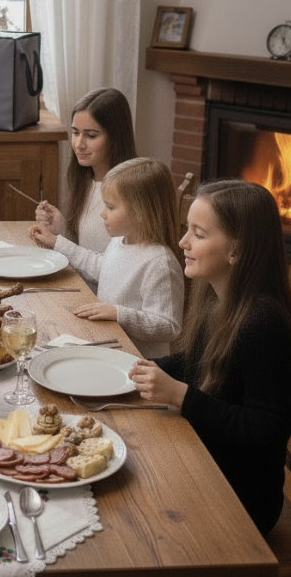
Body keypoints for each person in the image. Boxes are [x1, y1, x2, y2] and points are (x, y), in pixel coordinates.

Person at [128, 180, 291, 534]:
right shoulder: (216, 297)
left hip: (242, 497)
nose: (182, 242)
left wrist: (181, 396)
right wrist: (144, 367)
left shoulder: (262, 322)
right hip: (206, 455)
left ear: (236, 250)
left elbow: (268, 429)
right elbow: (201, 361)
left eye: (198, 234)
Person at [30, 157, 184, 358]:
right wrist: (56, 242)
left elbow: (168, 326)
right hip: (108, 346)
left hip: (138, 363)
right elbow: (101, 268)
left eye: (110, 207)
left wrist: (119, 314)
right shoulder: (120, 242)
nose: (103, 214)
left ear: (140, 213)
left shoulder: (159, 262)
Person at [35, 87, 137, 254]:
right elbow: (87, 251)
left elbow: (111, 268)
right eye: (75, 133)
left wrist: (58, 242)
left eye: (91, 135)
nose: (79, 144)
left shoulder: (130, 192)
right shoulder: (86, 181)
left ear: (116, 137)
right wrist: (62, 229)